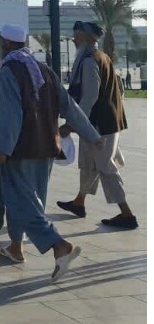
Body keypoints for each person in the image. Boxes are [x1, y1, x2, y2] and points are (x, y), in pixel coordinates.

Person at [0, 24, 104, 282]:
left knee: (19, 201)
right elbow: (70, 106)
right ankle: (15, 247)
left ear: (6, 44)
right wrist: (91, 135)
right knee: (30, 199)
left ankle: (59, 245)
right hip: (46, 146)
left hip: (19, 149)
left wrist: (2, 149)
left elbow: (11, 114)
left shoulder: (9, 70)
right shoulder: (44, 70)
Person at [56, 21, 137, 229]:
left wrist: (72, 124)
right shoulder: (102, 57)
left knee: (106, 167)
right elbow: (117, 89)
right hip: (101, 122)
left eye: (78, 36)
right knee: (89, 165)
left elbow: (89, 97)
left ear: (90, 38)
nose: (74, 40)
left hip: (99, 125)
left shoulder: (89, 61)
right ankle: (79, 202)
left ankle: (127, 214)